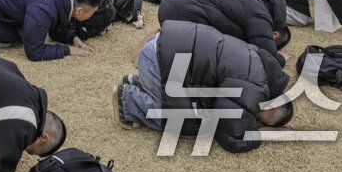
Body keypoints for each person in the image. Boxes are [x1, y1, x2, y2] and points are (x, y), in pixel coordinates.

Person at [115, 20, 291, 153]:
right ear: (271, 105)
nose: (256, 121)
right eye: (260, 120)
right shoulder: (254, 90)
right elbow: (230, 137)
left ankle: (138, 83)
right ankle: (129, 100)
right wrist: (264, 133)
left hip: (158, 47)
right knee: (192, 124)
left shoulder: (260, 67)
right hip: (157, 61)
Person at [158, 0, 290, 66]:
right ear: (275, 34)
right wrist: (280, 59)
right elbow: (267, 59)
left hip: (172, 3)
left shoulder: (250, 0)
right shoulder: (261, 16)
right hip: (181, 12)